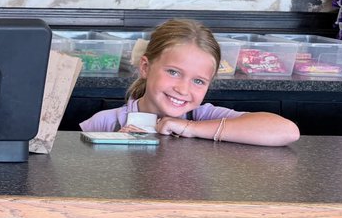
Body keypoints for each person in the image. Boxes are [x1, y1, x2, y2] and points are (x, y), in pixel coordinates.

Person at [80, 19, 300, 146]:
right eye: (173, 72)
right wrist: (113, 148)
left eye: (198, 81)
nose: (183, 89)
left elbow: (287, 131)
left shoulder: (204, 116)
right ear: (145, 67)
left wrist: (191, 128)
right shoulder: (105, 122)